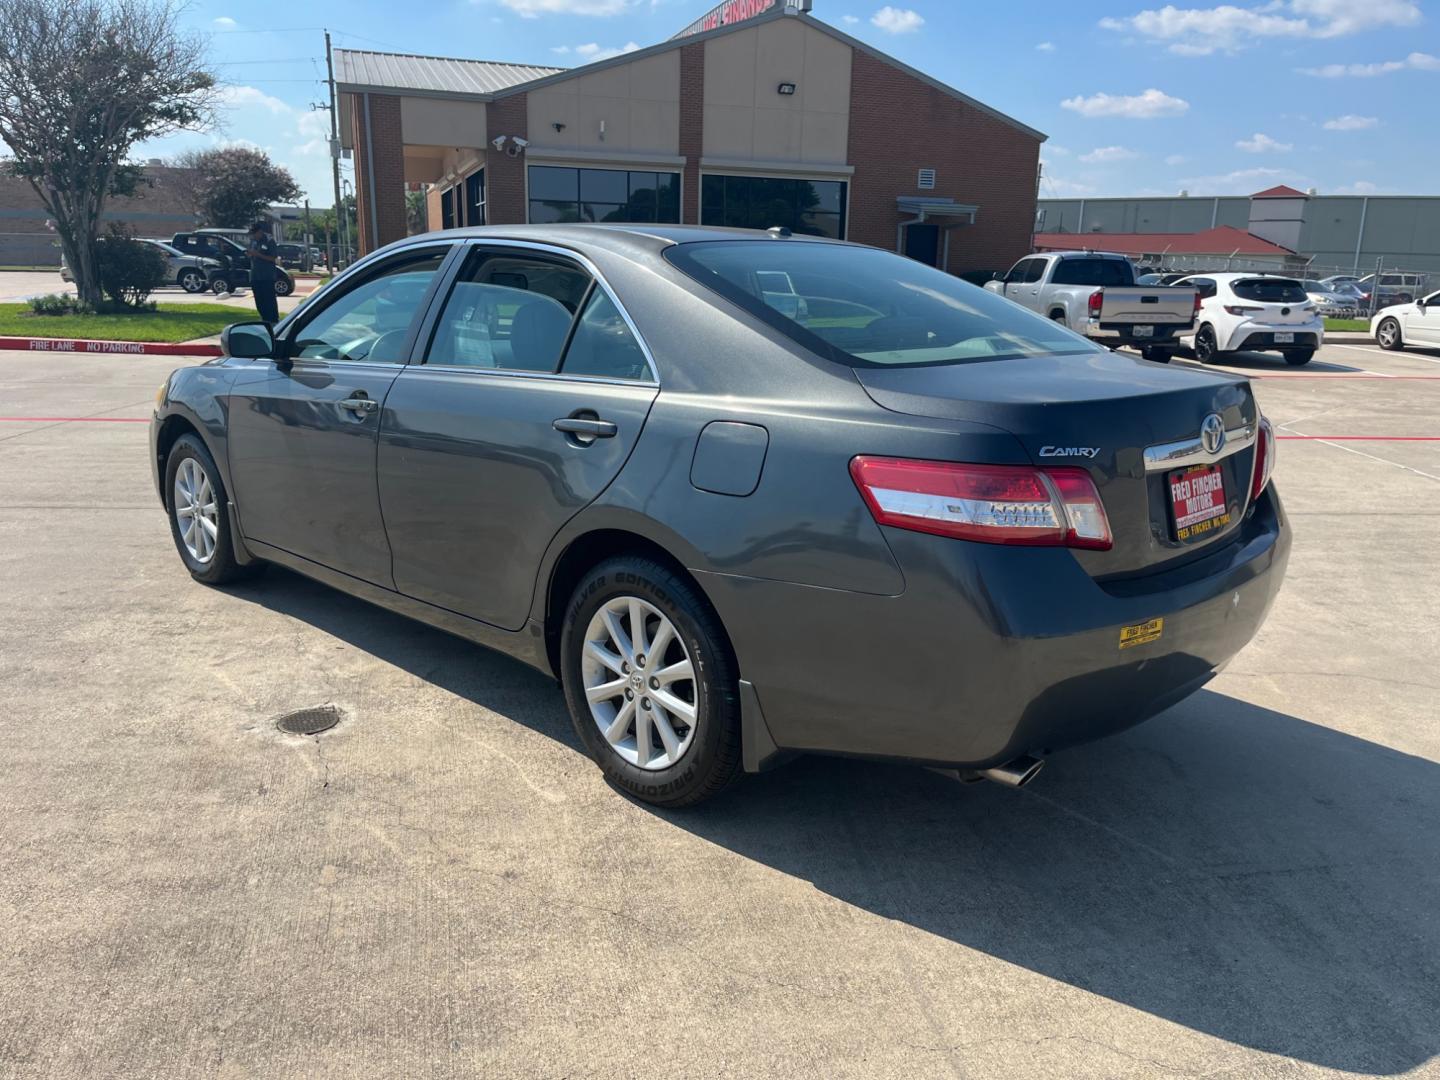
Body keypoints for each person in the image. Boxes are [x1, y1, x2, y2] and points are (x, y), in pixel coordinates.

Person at [245, 221, 281, 324]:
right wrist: (250, 254)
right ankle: (264, 319)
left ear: (260, 232)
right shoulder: (253, 241)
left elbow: (273, 258)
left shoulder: (269, 241)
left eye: (254, 233)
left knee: (269, 300)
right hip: (256, 275)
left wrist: (257, 254)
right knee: (259, 300)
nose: (252, 236)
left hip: (267, 276)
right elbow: (253, 254)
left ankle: (273, 320)